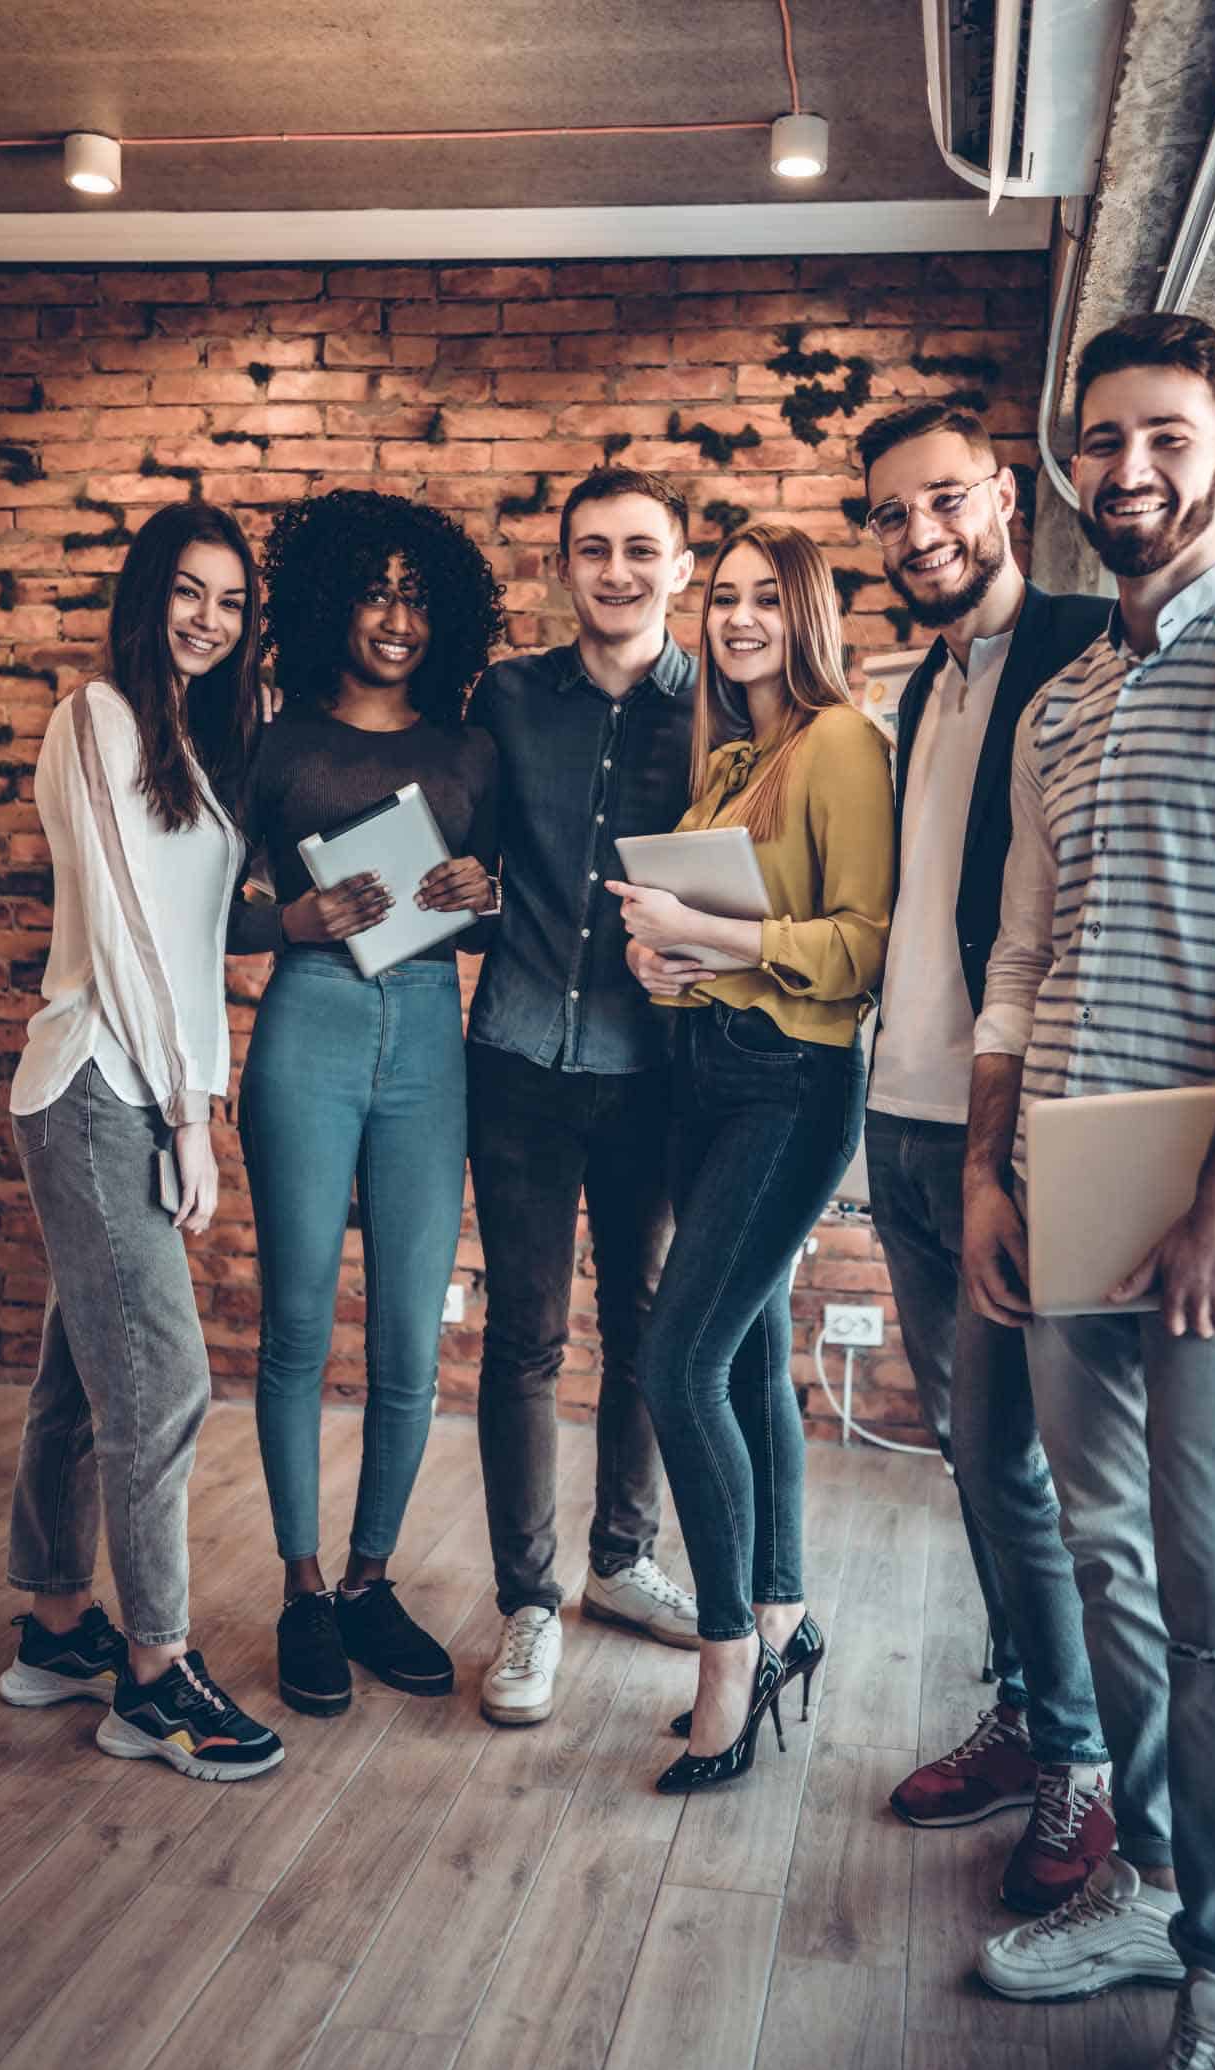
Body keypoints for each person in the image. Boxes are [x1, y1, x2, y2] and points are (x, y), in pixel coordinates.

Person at [964, 314, 1215, 2070]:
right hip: (1065, 1165)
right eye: (1098, 441)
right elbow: (1018, 962)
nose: (1124, 470)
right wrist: (986, 1161)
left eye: (1162, 438)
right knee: (1102, 1563)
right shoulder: (1057, 699)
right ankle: (1145, 1890)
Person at [856, 402, 1112, 1911]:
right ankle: (1026, 1719)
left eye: (941, 501)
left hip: (1010, 1127)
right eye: (888, 515)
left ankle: (1077, 1761)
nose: (917, 534)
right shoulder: (922, 688)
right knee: (971, 1452)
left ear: (1003, 497)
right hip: (899, 1113)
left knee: (1032, 1467)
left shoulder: (1088, 644)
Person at [0, 501, 284, 1781]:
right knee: (164, 1385)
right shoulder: (96, 716)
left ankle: (58, 1625)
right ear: (144, 591)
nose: (207, 618)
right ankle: (155, 1678)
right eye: (187, 589)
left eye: (229, 601)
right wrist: (187, 1112)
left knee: (86, 1373)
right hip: (99, 1084)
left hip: (138, 1084)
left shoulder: (194, 743)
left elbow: (187, 931)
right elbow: (118, 930)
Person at [615, 522, 894, 1792]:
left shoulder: (837, 740)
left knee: (681, 1359)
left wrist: (715, 942)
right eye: (721, 597)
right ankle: (783, 1613)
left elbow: (860, 947)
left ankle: (728, 1652)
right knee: (750, 1356)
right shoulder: (733, 754)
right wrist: (655, 957)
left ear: (805, 613)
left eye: (761, 599)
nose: (735, 619)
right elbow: (710, 936)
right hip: (707, 1074)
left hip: (790, 1084)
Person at [230, 489, 503, 1719]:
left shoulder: (468, 749)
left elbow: (509, 908)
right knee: (295, 1324)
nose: (396, 617)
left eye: (416, 595)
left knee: (408, 1333)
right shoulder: (275, 741)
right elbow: (202, 906)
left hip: (430, 1037)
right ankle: (298, 1584)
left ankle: (370, 1578)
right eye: (375, 590)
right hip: (309, 1023)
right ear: (332, 598)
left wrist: (480, 894)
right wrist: (288, 917)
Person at [464, 466, 702, 1729]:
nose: (616, 570)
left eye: (640, 548)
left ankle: (620, 1557)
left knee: (648, 1330)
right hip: (514, 1060)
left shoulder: (717, 706)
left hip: (652, 1072)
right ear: (563, 565)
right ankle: (528, 1601)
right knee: (525, 1336)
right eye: (593, 549)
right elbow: (474, 848)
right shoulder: (505, 696)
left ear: (681, 562)